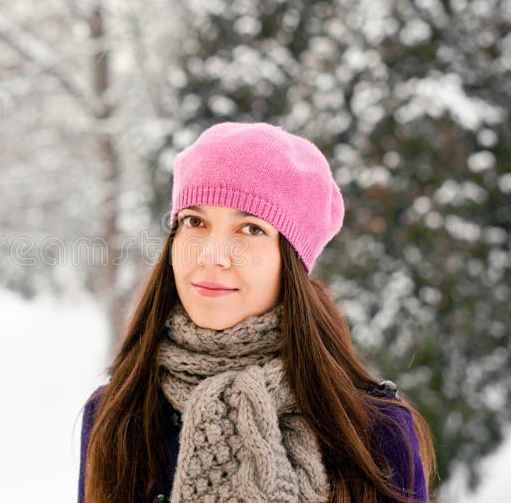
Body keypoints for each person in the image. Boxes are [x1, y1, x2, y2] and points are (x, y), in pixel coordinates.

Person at [77, 122, 437, 503]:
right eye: (194, 222)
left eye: (250, 229)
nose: (211, 254)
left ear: (292, 261)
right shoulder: (115, 416)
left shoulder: (375, 433)